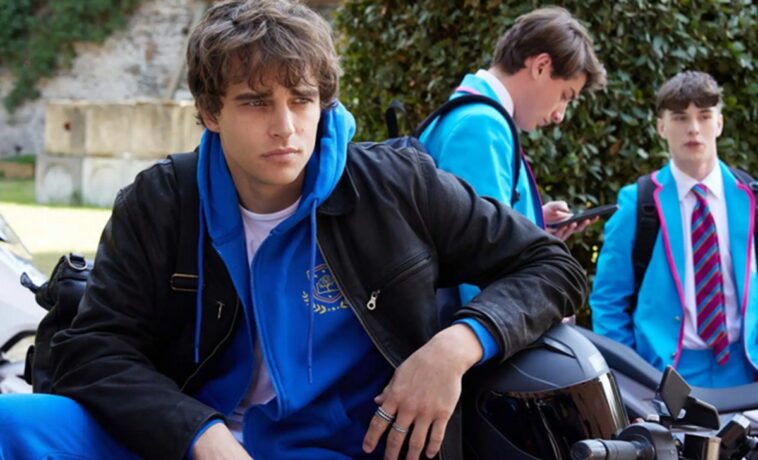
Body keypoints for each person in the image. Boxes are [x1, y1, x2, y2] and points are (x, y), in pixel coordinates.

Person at [0, 1, 586, 459]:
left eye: (302, 100)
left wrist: (456, 346)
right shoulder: (160, 200)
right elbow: (95, 349)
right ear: (210, 112)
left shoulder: (396, 185)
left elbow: (552, 265)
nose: (285, 126)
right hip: (187, 441)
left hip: (347, 447)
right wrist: (197, 432)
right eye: (256, 103)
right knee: (15, 422)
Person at [418, 6, 605, 304]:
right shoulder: (481, 126)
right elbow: (481, 261)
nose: (560, 115)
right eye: (565, 96)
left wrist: (533, 225)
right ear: (541, 66)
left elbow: (474, 228)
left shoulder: (473, 115)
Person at [590, 71, 757, 388]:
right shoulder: (638, 203)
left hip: (746, 368)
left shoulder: (750, 198)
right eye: (680, 118)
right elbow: (608, 301)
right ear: (661, 127)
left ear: (719, 124)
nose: (693, 128)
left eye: (704, 116)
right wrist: (630, 379)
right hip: (666, 374)